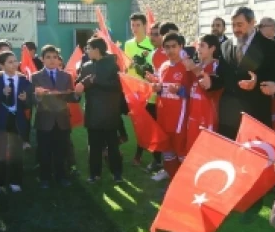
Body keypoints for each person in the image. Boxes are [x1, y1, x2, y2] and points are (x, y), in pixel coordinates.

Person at [219, 6, 275, 140]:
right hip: (229, 119)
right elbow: (222, 76)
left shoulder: (272, 48)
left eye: (240, 25)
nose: (235, 30)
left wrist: (258, 82)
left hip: (255, 115)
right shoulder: (225, 46)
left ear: (252, 23)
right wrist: (209, 80)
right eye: (233, 25)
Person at [31, 45, 80, 188]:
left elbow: (71, 97)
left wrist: (77, 93)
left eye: (55, 57)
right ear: (42, 59)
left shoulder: (66, 76)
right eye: (48, 57)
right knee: (44, 150)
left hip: (62, 120)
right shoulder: (35, 77)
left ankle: (61, 176)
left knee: (61, 150)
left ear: (59, 60)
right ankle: (44, 177)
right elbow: (31, 100)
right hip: (44, 120)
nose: (52, 60)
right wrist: (38, 96)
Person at [77, 37, 124, 184]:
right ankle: (94, 174)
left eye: (88, 48)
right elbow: (79, 84)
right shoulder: (86, 66)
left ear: (96, 50)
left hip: (110, 111)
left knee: (113, 146)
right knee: (94, 146)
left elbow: (117, 86)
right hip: (93, 112)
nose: (87, 51)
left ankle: (117, 174)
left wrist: (97, 81)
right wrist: (81, 84)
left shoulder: (112, 65)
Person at [0, 50, 33, 195]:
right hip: (1, 121)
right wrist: (1, 94)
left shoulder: (25, 81)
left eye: (15, 61)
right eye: (10, 62)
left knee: (16, 154)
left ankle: (15, 181)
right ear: (1, 65)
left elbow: (31, 104)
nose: (14, 64)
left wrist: (26, 100)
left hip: (17, 121)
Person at [150, 32, 193, 181]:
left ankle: (184, 180)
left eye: (174, 46)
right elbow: (163, 88)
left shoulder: (187, 66)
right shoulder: (163, 66)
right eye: (167, 47)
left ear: (181, 47)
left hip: (180, 117)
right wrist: (157, 88)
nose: (170, 50)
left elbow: (195, 90)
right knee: (167, 147)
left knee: (180, 148)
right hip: (164, 113)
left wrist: (181, 91)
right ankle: (170, 175)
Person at [125, 15, 166, 172]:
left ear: (145, 26)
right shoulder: (128, 44)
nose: (134, 28)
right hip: (135, 94)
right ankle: (140, 153)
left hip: (152, 93)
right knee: (139, 125)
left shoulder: (152, 44)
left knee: (152, 126)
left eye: (137, 25)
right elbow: (127, 67)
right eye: (132, 25)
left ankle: (156, 159)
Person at [182, 38, 223, 154]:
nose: (198, 49)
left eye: (202, 46)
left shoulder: (216, 65)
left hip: (208, 115)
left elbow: (208, 85)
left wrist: (194, 69)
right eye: (198, 46)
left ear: (212, 49)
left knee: (206, 150)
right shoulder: (196, 65)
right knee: (192, 149)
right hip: (193, 114)